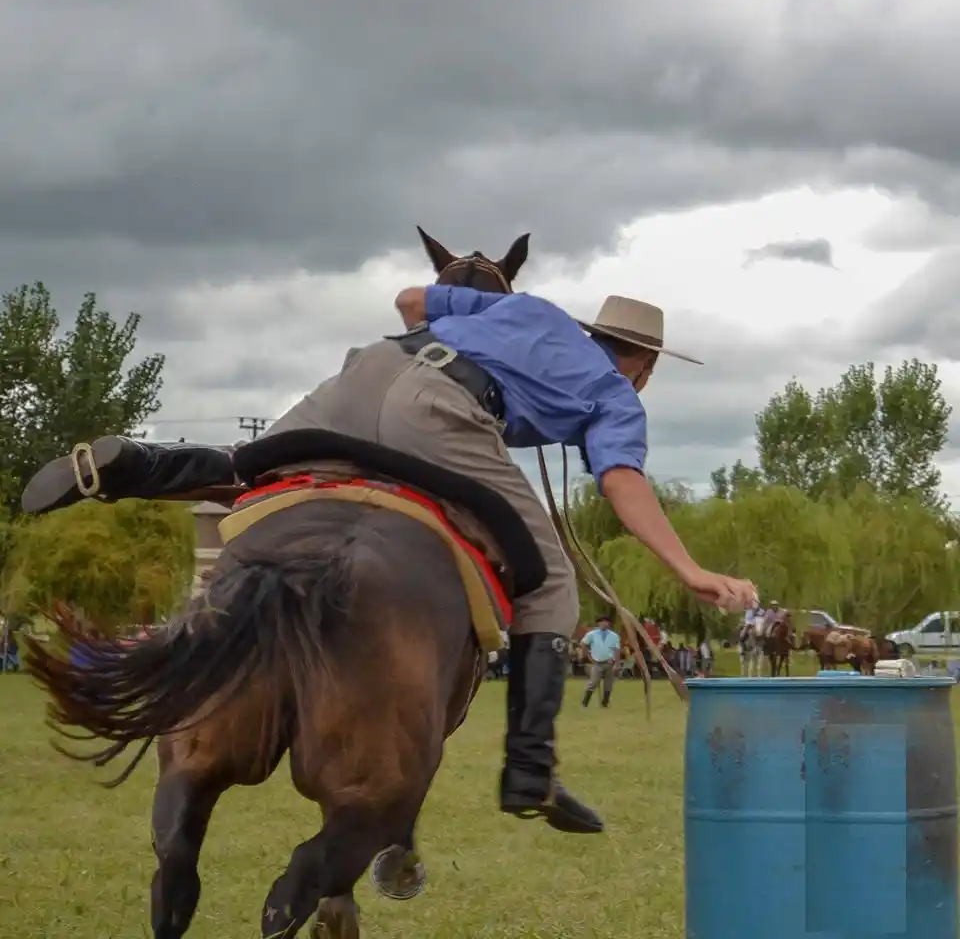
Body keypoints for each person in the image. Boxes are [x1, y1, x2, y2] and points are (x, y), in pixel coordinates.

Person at [21, 282, 760, 836]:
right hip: (448, 411)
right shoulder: (615, 393)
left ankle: (124, 469)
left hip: (369, 370)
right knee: (554, 582)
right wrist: (690, 571)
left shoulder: (528, 308)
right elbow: (622, 483)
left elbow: (411, 299)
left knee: (256, 463)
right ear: (646, 366)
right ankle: (530, 771)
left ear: (593, 327)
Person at [580, 615, 621, 708]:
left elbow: (617, 650)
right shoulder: (592, 634)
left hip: (609, 662)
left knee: (608, 684)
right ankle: (585, 703)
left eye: (606, 622)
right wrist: (587, 656)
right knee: (593, 682)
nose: (604, 624)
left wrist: (617, 664)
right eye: (602, 622)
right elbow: (583, 644)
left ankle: (605, 703)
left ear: (609, 623)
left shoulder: (614, 636)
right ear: (598, 623)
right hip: (597, 662)